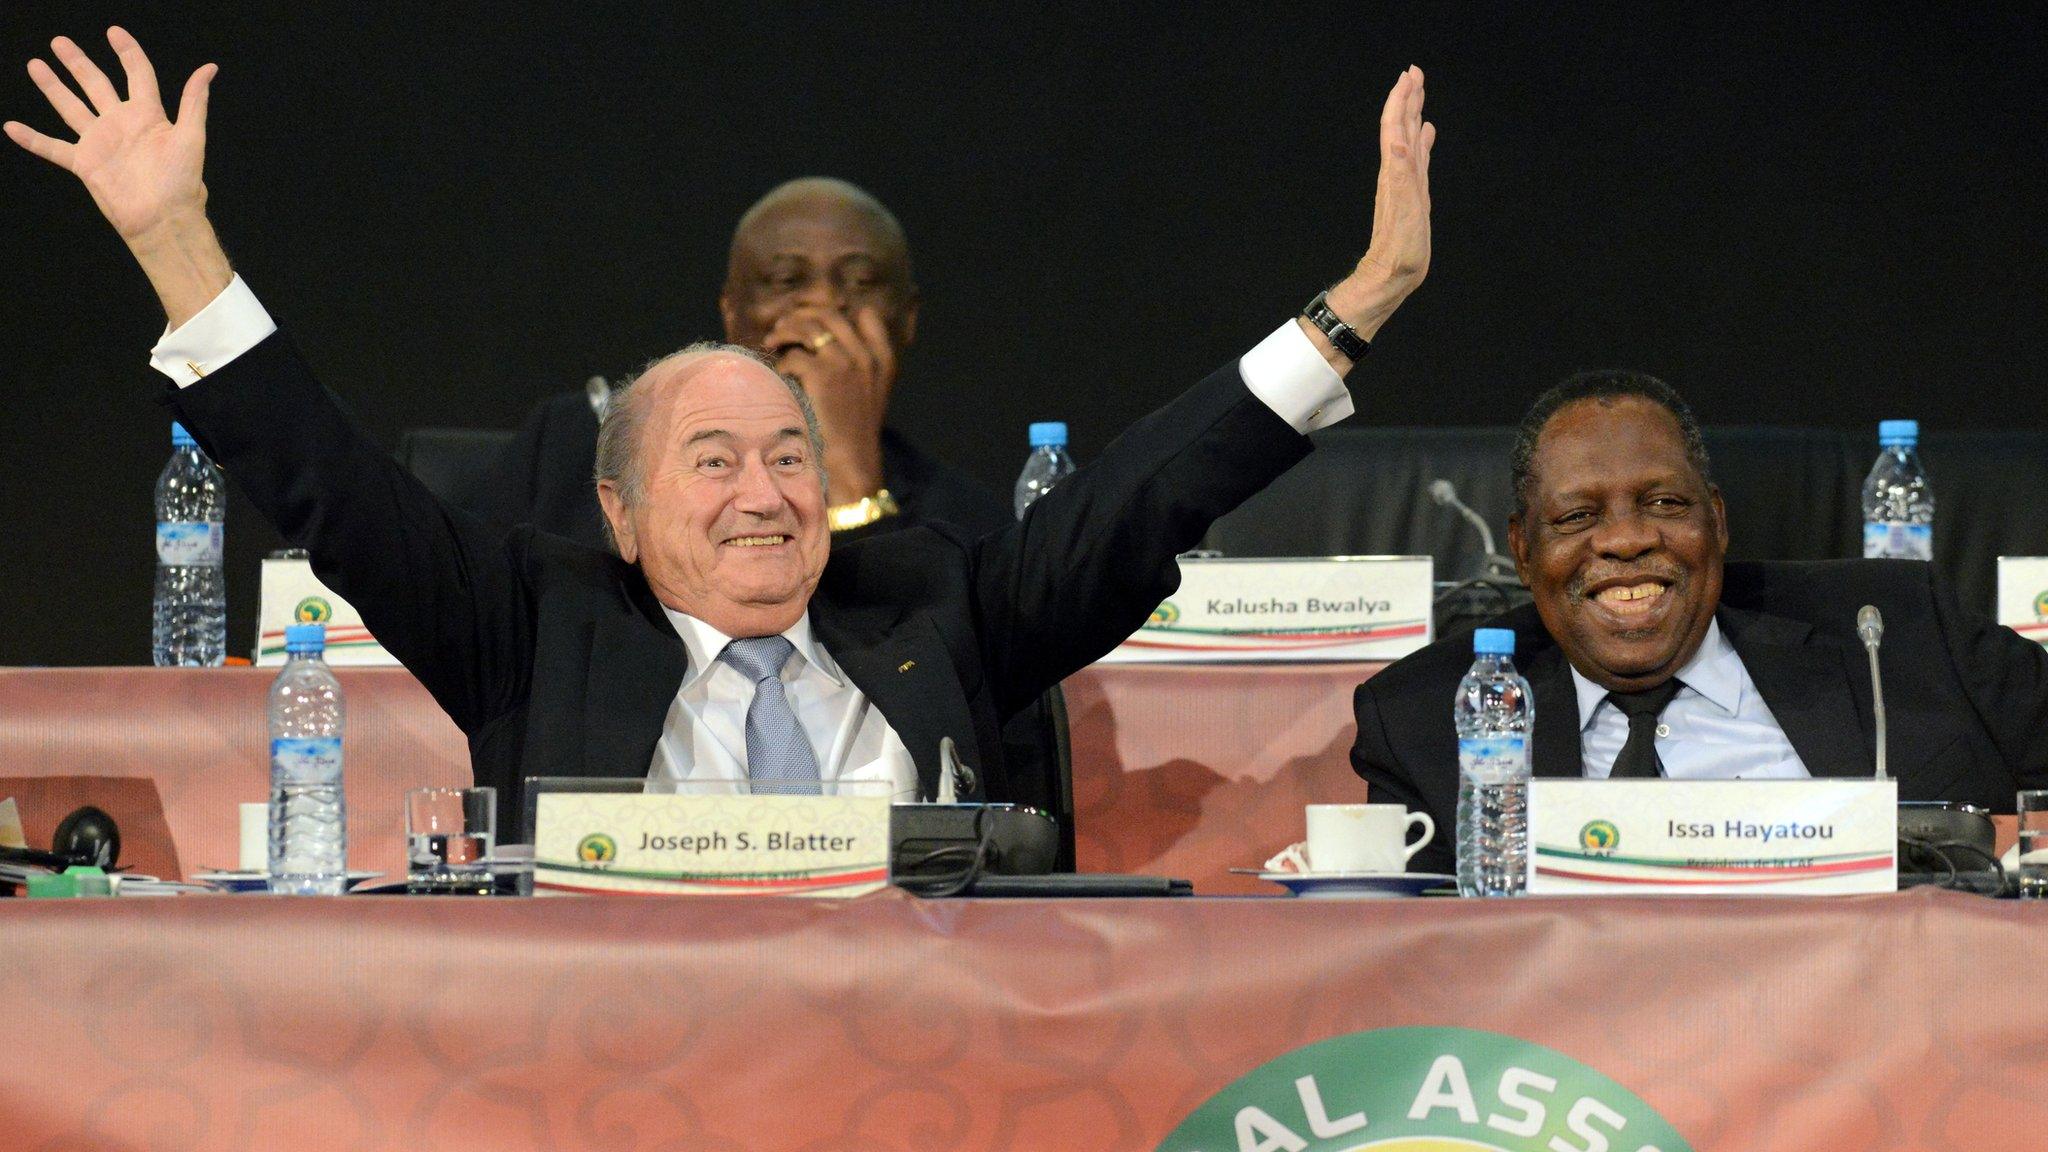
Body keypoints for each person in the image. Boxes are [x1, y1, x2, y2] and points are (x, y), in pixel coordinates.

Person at [9, 29, 1437, 836]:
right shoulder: (529, 625)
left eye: (791, 457)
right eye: (713, 461)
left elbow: (1143, 499)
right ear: (619, 513)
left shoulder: (944, 605)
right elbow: (319, 479)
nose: (766, 495)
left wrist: (1354, 309)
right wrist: (174, 237)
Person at [1352, 370, 2048, 874]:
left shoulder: (1894, 630)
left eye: (1662, 504)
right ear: (1523, 549)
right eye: (1577, 517)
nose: (1626, 541)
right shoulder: (1423, 720)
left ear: (1715, 520)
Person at [474, 177, 1008, 550]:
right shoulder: (572, 451)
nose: (822, 308)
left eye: (861, 282)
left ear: (907, 318)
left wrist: (849, 484)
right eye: (786, 280)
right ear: (732, 314)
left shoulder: (967, 527)